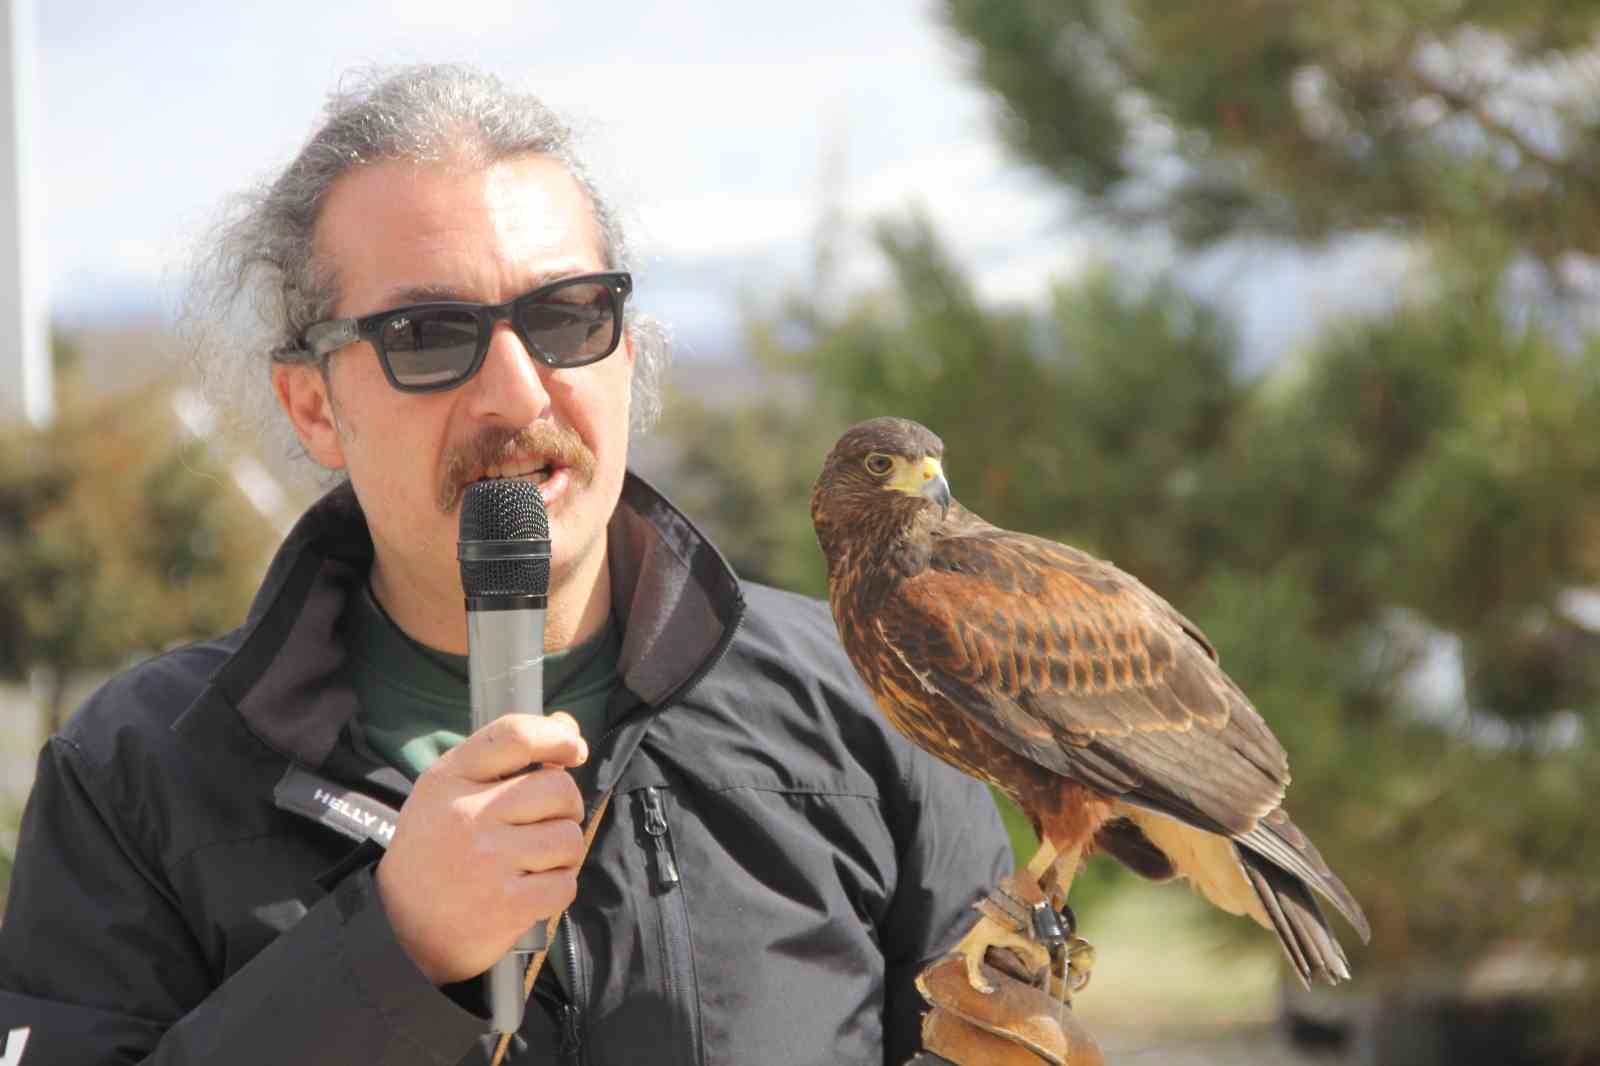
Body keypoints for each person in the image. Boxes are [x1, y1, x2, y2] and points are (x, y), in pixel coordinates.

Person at [0, 64, 1013, 1064]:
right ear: (313, 404)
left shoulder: (871, 706)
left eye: (568, 316)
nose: (517, 392)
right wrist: (391, 949)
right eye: (428, 335)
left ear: (626, 351)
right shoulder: (134, 772)